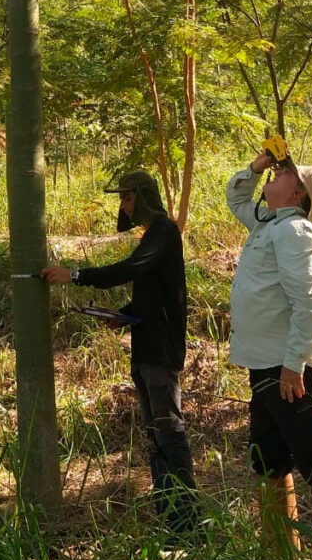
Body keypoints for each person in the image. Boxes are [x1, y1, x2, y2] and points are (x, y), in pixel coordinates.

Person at [226, 151, 312, 557]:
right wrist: (254, 167)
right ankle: (280, 553)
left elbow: (310, 303)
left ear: (298, 193)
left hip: (290, 369)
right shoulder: (269, 223)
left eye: (285, 172)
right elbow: (236, 199)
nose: (277, 171)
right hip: (264, 366)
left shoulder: (293, 232)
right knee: (268, 463)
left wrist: (293, 366)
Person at [42, 171, 198, 534]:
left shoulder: (164, 230)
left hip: (160, 352)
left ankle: (188, 521)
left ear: (143, 197)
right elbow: (151, 288)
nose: (122, 206)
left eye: (127, 199)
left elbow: (131, 269)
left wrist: (76, 275)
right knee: (154, 434)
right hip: (146, 348)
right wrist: (125, 314)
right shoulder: (153, 234)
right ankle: (170, 512)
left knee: (169, 432)